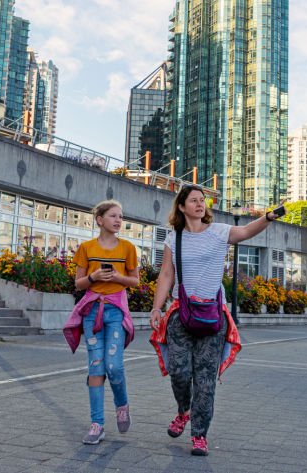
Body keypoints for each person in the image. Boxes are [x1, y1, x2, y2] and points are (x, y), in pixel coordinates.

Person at [149, 185, 283, 456]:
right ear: (182, 207)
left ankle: (199, 435)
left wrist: (268, 217)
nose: (200, 204)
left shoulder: (220, 232)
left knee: (206, 379)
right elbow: (166, 274)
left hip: (212, 316)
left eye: (203, 200)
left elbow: (246, 231)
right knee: (179, 372)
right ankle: (184, 411)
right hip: (181, 314)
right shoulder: (174, 238)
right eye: (194, 201)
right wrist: (156, 308)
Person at [62, 200, 140, 445]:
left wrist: (117, 277)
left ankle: (122, 405)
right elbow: (78, 284)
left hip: (116, 310)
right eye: (113, 216)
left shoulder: (128, 248)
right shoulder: (86, 248)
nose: (118, 220)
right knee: (96, 366)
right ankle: (97, 424)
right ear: (99, 220)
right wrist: (94, 276)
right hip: (92, 311)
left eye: (121, 216)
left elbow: (135, 281)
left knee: (114, 366)